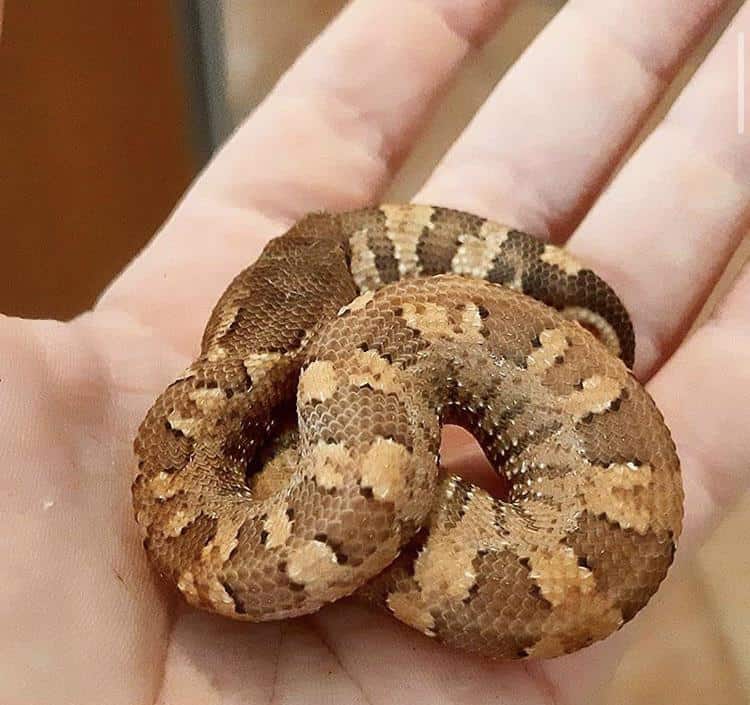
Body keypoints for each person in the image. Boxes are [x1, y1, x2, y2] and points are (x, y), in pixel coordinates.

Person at [2, 1, 748, 703]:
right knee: (374, 355)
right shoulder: (328, 365)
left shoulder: (312, 366)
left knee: (377, 345)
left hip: (561, 502)